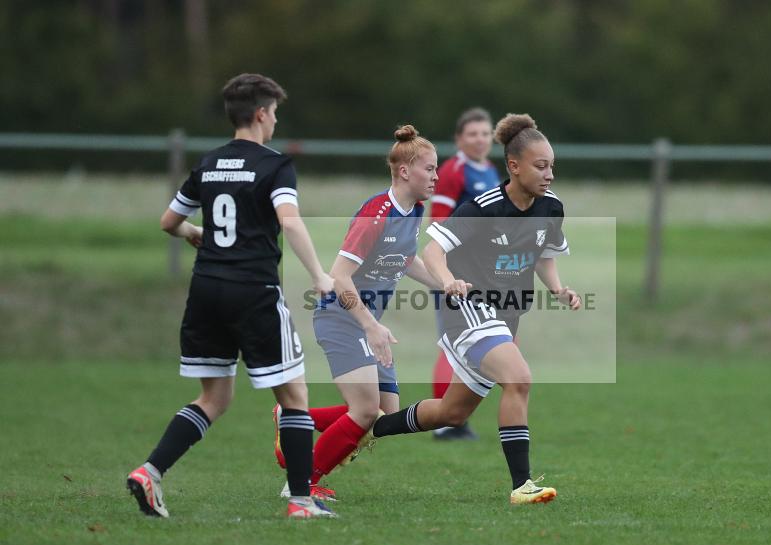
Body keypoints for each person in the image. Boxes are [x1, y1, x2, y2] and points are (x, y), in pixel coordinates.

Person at [126, 73, 337, 519]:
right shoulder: (275, 165)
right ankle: (301, 502)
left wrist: (194, 232)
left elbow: (168, 221)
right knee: (295, 397)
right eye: (275, 113)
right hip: (252, 289)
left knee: (215, 398)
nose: (276, 122)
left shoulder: (209, 162)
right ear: (261, 114)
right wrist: (319, 274)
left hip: (206, 290)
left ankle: (150, 471)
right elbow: (291, 221)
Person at [369, 113, 581, 505]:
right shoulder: (483, 208)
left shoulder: (551, 208)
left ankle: (362, 427)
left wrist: (558, 288)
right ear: (514, 166)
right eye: (540, 166)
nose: (549, 174)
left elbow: (544, 255)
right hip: (469, 309)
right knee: (519, 378)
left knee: (451, 413)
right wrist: (447, 280)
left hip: (506, 315)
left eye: (552, 165)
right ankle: (522, 485)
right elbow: (431, 250)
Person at [273, 125, 441, 500]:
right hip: (342, 317)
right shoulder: (375, 213)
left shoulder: (415, 210)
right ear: (404, 171)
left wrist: (444, 285)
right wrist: (370, 326)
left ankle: (292, 419)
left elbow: (405, 256)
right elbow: (340, 277)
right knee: (365, 410)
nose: (436, 176)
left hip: (367, 323)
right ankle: (304, 482)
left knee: (385, 412)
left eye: (436, 169)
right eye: (429, 169)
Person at [429, 108, 501, 441]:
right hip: (456, 272)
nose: (480, 139)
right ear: (459, 139)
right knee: (455, 344)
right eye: (473, 133)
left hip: (484, 272)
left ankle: (454, 417)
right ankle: (445, 421)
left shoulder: (489, 170)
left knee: (480, 341)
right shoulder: (452, 171)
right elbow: (438, 223)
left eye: (485, 133)